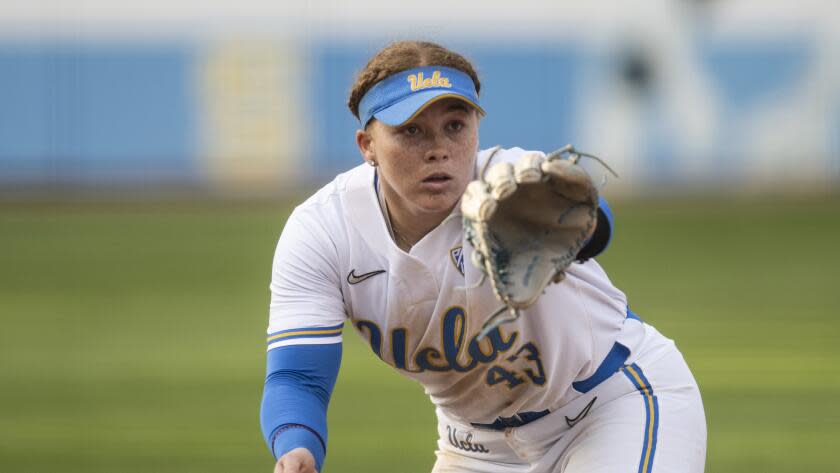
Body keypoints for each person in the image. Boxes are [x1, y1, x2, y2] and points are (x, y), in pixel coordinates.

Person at [260, 40, 706, 473]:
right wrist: (297, 446)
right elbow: (298, 376)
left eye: (455, 125)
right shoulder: (324, 232)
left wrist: (571, 227)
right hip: (475, 448)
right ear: (367, 145)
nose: (438, 148)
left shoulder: (511, 184)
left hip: (609, 406)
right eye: (410, 130)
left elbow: (595, 225)